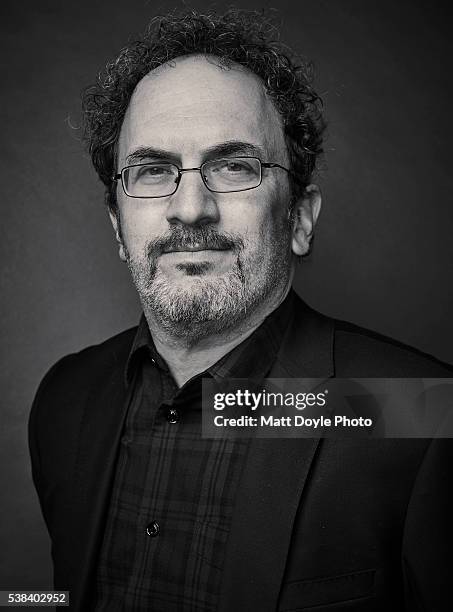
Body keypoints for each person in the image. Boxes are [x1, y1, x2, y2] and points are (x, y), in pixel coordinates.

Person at [29, 9, 452, 612]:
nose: (190, 208)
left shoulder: (423, 414)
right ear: (118, 228)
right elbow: (51, 598)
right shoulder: (65, 400)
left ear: (299, 218)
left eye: (233, 167)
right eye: (154, 170)